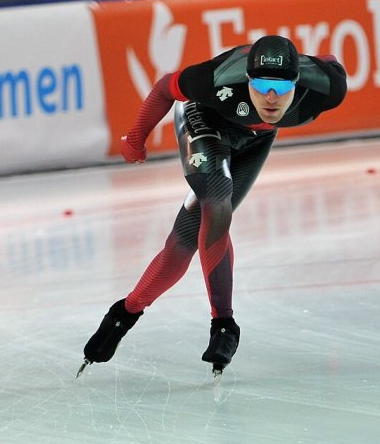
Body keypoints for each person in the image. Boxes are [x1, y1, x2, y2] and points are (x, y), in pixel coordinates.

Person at [78, 35, 347, 377]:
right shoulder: (217, 78)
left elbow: (330, 61)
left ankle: (124, 314)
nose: (271, 97)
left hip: (256, 139)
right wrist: (135, 139)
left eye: (281, 88)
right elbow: (164, 87)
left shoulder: (327, 87)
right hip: (204, 120)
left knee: (185, 239)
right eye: (261, 85)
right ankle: (224, 324)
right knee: (217, 205)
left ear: (298, 82)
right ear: (247, 79)